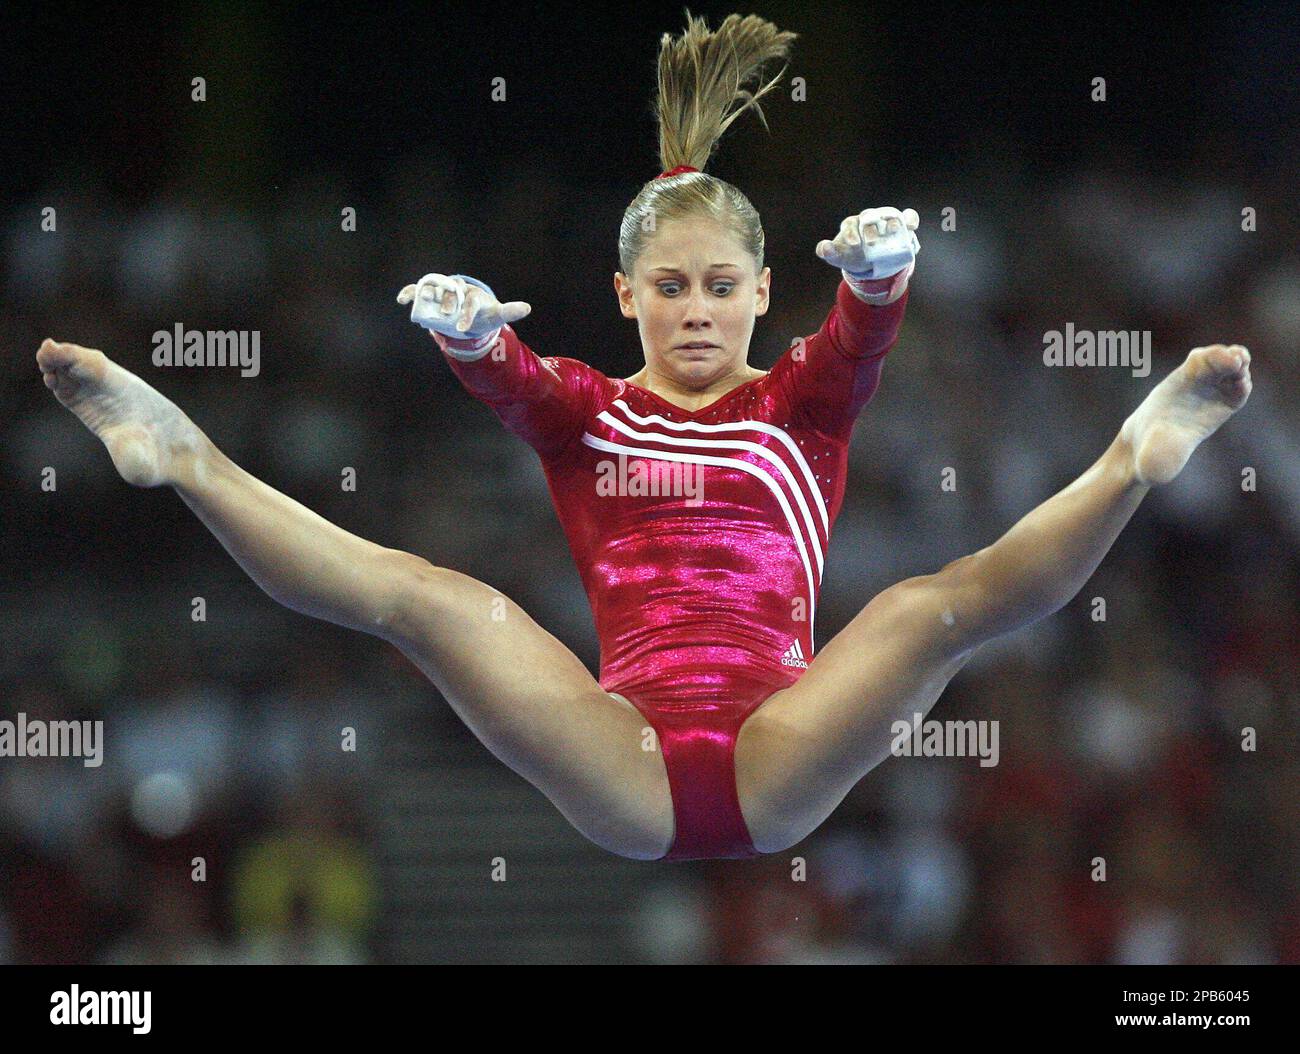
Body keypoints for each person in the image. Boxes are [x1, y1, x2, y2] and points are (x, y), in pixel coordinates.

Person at [36, 13, 1252, 862]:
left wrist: (878, 282)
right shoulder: (591, 411)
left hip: (781, 747)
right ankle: (182, 453)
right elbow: (521, 390)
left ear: (761, 289)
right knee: (426, 599)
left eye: (720, 286)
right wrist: (470, 338)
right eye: (669, 288)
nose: (696, 311)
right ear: (625, 297)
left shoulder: (798, 403)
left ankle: (1133, 456)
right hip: (620, 757)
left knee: (930, 608)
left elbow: (852, 354)